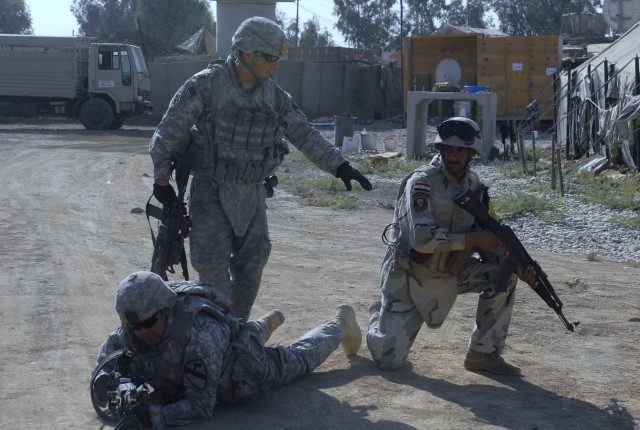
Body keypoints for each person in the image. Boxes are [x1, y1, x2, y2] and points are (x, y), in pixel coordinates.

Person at [149, 16, 372, 321]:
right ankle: (219, 335)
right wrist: (162, 180)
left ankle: (235, 334)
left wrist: (340, 165)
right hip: (210, 193)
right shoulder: (205, 86)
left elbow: (304, 134)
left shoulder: (275, 97)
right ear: (247, 53)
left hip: (252, 196)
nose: (275, 66)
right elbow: (167, 133)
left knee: (251, 272)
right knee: (213, 277)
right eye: (270, 58)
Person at [366, 117, 538, 376]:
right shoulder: (422, 183)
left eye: (460, 151)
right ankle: (378, 314)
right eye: (448, 149)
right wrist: (474, 240)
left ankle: (483, 353)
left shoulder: (475, 187)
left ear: (472, 153)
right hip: (410, 276)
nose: (454, 156)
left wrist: (516, 265)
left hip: (451, 272)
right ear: (440, 150)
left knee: (504, 274)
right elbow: (421, 239)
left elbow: (490, 236)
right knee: (388, 360)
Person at [92, 271, 363, 429]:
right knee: (240, 331)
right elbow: (103, 369)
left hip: (239, 366)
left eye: (149, 323)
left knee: (294, 360)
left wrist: (154, 418)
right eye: (134, 327)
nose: (142, 332)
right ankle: (263, 324)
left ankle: (339, 324)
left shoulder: (200, 334)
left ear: (165, 308)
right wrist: (112, 390)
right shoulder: (131, 329)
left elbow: (200, 405)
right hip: (216, 346)